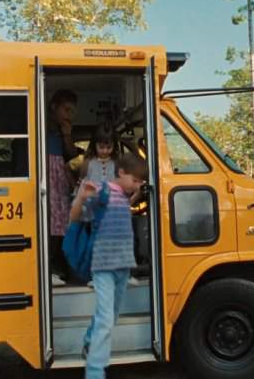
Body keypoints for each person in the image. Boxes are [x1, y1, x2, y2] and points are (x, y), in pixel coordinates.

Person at [69, 153, 146, 379]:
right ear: (121, 173)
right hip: (104, 265)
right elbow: (76, 216)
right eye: (135, 181)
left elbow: (122, 205)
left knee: (110, 315)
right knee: (105, 319)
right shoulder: (102, 192)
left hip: (123, 265)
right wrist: (82, 198)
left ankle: (89, 341)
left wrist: (136, 193)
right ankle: (95, 371)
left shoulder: (123, 195)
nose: (137, 186)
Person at [48, 89, 83, 286]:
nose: (69, 115)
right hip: (48, 176)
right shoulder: (43, 124)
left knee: (61, 222)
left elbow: (70, 155)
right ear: (54, 107)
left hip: (59, 179)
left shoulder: (64, 131)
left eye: (72, 112)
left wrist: (67, 134)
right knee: (52, 223)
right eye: (66, 109)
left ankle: (61, 267)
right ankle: (53, 266)